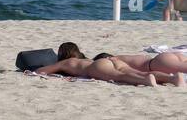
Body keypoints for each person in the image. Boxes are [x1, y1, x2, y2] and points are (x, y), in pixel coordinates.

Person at [35, 43, 178, 87]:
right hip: (111, 59)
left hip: (98, 66)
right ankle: (172, 79)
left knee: (121, 76)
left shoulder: (66, 62)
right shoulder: (85, 59)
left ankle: (145, 81)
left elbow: (42, 71)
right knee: (133, 71)